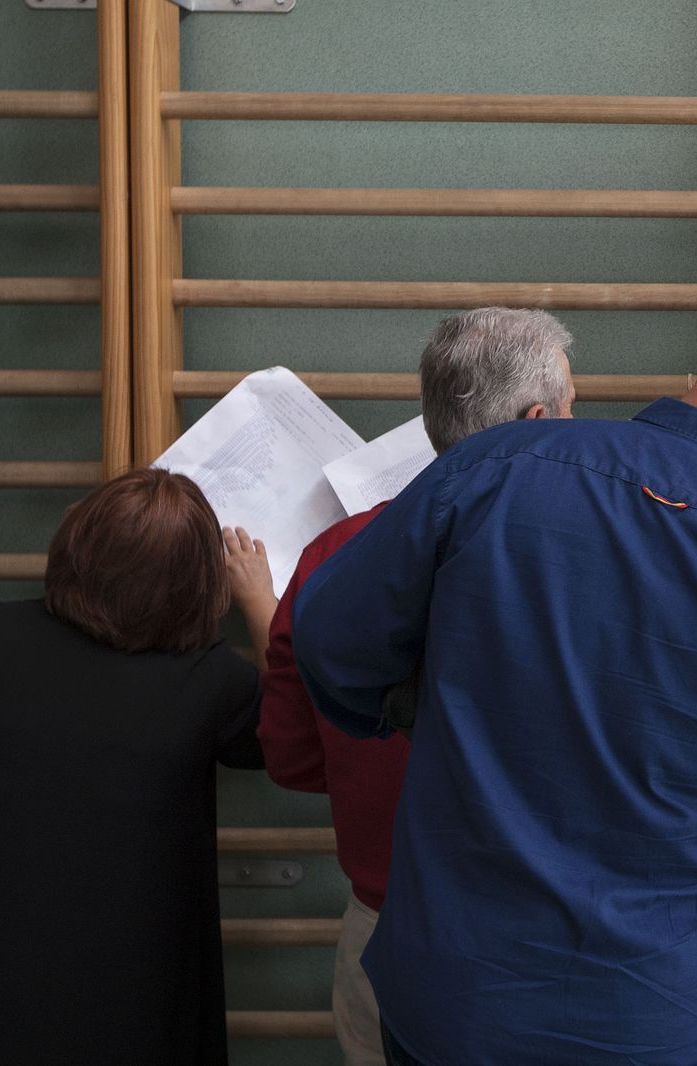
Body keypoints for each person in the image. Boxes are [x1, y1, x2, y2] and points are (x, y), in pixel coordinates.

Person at [291, 298, 697, 1066]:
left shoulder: (497, 467)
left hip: (456, 1008)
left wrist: (414, 708)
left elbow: (328, 642)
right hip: (670, 1023)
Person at [256, 306, 577, 1066]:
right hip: (554, 940)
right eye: (572, 407)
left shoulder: (333, 554)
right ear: (538, 420)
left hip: (385, 926)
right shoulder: (597, 563)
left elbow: (295, 761)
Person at [0, 467, 276, 1066]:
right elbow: (295, 735)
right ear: (198, 590)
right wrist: (257, 601)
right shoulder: (207, 682)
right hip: (136, 1027)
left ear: (72, 545)